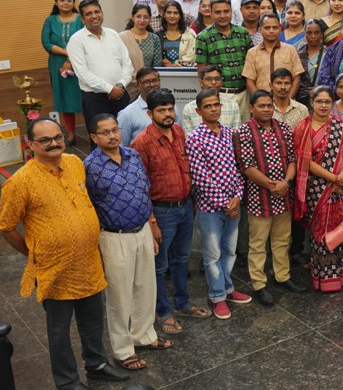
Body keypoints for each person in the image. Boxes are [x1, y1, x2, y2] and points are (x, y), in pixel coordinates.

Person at [0, 118, 130, 388]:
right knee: (59, 331)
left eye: (57, 137)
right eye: (45, 140)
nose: (54, 143)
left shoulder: (74, 163)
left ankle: (97, 365)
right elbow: (6, 226)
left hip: (89, 261)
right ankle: (67, 382)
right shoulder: (20, 182)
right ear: (30, 144)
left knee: (93, 321)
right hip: (54, 269)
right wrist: (33, 253)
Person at [84, 114, 171, 372]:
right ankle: (123, 349)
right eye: (105, 132)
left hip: (142, 230)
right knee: (119, 296)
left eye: (115, 130)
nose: (113, 136)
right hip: (114, 236)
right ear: (94, 137)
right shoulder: (90, 166)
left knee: (146, 287)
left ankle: (143, 335)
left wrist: (152, 226)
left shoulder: (133, 155)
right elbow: (88, 206)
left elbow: (144, 190)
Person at [130, 89, 210, 333]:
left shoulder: (178, 131)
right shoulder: (142, 142)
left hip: (185, 206)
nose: (167, 114)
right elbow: (139, 185)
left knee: (182, 259)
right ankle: (163, 311)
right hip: (161, 212)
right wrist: (151, 220)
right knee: (159, 266)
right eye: (161, 110)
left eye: (170, 109)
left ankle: (182, 303)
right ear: (149, 113)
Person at [185, 89, 254, 319]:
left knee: (229, 252)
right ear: (199, 111)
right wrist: (225, 203)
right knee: (212, 255)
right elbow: (200, 177)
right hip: (210, 210)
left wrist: (237, 197)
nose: (213, 109)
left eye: (216, 105)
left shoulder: (229, 134)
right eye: (208, 106)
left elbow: (238, 169)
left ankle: (228, 289)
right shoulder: (195, 139)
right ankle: (217, 297)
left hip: (233, 205)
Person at [234, 90, 306, 303]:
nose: (266, 109)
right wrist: (271, 186)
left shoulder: (283, 128)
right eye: (261, 106)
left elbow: (292, 159)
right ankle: (259, 284)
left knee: (282, 239)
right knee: (258, 243)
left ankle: (282, 276)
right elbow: (247, 167)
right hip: (260, 197)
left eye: (269, 105)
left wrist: (286, 182)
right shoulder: (243, 132)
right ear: (251, 108)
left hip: (284, 195)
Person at [292, 86, 343, 292]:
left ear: (332, 104)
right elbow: (306, 162)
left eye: (327, 102)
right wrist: (333, 178)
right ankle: (326, 277)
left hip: (341, 187)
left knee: (342, 229)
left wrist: (342, 175)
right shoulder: (303, 128)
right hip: (317, 188)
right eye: (319, 101)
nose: (323, 105)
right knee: (322, 232)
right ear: (311, 103)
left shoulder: (341, 125)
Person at [67, 0, 133, 129]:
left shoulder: (113, 34)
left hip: (121, 94)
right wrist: (110, 89)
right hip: (95, 100)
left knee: (125, 133)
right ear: (82, 19)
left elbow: (126, 62)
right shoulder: (76, 40)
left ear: (102, 14)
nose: (94, 16)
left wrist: (120, 85)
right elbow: (83, 73)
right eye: (89, 14)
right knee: (100, 136)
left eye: (97, 12)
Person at [195, 0, 253, 120]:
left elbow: (251, 64)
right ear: (211, 14)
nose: (222, 16)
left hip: (245, 94)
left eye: (226, 11)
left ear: (231, 12)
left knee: (245, 130)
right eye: (218, 12)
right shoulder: (203, 37)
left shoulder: (243, 33)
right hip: (220, 95)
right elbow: (201, 70)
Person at [42, 0, 84, 145]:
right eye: (62, 0)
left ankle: (93, 131)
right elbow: (46, 43)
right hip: (58, 64)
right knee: (64, 99)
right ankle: (71, 133)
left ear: (74, 2)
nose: (66, 3)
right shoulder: (50, 20)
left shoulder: (81, 19)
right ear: (56, 2)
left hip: (80, 62)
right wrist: (67, 53)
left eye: (69, 0)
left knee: (86, 97)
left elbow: (86, 40)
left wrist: (72, 59)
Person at [242, 13, 304, 96]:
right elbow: (250, 82)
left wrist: (288, 100)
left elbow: (297, 78)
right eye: (267, 28)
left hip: (287, 100)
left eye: (275, 28)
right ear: (260, 30)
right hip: (262, 102)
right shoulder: (252, 53)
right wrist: (261, 100)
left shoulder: (290, 50)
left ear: (280, 29)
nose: (271, 31)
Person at [119, 3, 163, 99]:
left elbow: (156, 66)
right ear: (132, 17)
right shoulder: (122, 37)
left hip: (149, 87)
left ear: (150, 18)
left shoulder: (154, 39)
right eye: (138, 16)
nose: (142, 20)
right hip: (127, 87)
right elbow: (118, 64)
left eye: (145, 17)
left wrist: (147, 81)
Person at [181, 65, 241, 132]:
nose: (213, 82)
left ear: (222, 82)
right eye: (209, 79)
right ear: (201, 83)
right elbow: (189, 136)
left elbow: (236, 135)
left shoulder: (233, 106)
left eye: (217, 79)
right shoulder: (189, 108)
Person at [117, 67, 161, 146]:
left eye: (154, 80)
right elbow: (122, 146)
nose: (152, 85)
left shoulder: (170, 107)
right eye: (146, 82)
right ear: (138, 85)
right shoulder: (126, 114)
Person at [295, 18, 326, 107]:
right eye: (309, 33)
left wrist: (320, 88)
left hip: (322, 99)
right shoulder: (298, 53)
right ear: (304, 34)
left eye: (316, 33)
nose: (313, 36)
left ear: (321, 34)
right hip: (300, 100)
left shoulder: (329, 54)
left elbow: (332, 77)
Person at [157, 0, 196, 67]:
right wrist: (165, 63)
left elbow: (192, 55)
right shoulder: (157, 35)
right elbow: (156, 57)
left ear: (180, 15)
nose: (172, 16)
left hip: (186, 71)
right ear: (164, 15)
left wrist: (176, 66)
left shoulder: (189, 34)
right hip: (163, 72)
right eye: (169, 12)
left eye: (175, 13)